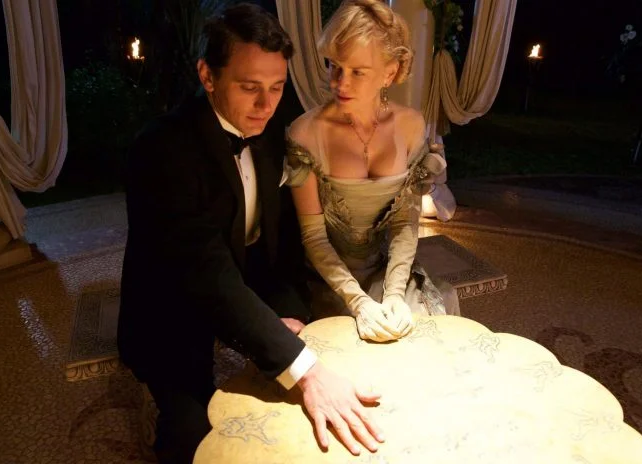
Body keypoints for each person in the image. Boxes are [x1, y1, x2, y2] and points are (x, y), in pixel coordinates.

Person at [118, 4, 383, 463]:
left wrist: (287, 312)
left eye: (277, 87)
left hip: (238, 287)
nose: (266, 104)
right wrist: (306, 371)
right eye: (249, 87)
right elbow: (206, 275)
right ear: (207, 75)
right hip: (171, 313)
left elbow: (278, 242)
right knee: (197, 440)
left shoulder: (271, 131)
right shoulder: (160, 151)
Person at [285, 0, 460, 343]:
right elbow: (314, 238)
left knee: (425, 325)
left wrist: (394, 294)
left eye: (357, 72)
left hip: (386, 271)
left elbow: (404, 222)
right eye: (335, 66)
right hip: (326, 277)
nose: (340, 83)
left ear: (389, 74)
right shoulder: (305, 133)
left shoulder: (410, 126)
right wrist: (359, 302)